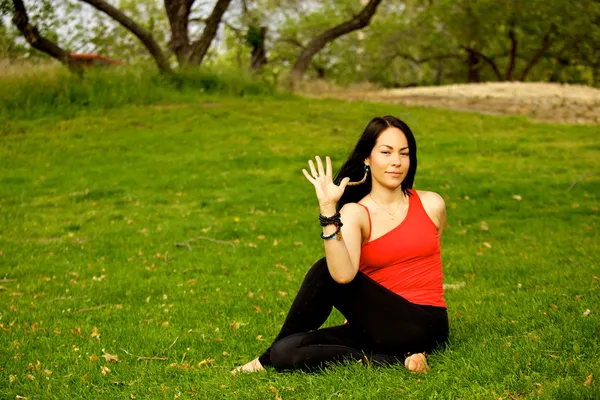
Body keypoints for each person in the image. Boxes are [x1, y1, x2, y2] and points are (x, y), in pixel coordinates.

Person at [233, 116, 449, 374]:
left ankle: (263, 360)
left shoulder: (431, 204)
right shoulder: (355, 213)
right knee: (286, 352)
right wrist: (328, 209)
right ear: (367, 158)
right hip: (375, 327)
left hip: (424, 324)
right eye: (386, 152)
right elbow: (344, 275)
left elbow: (428, 265)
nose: (396, 162)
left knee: (325, 270)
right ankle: (398, 360)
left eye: (404, 153)